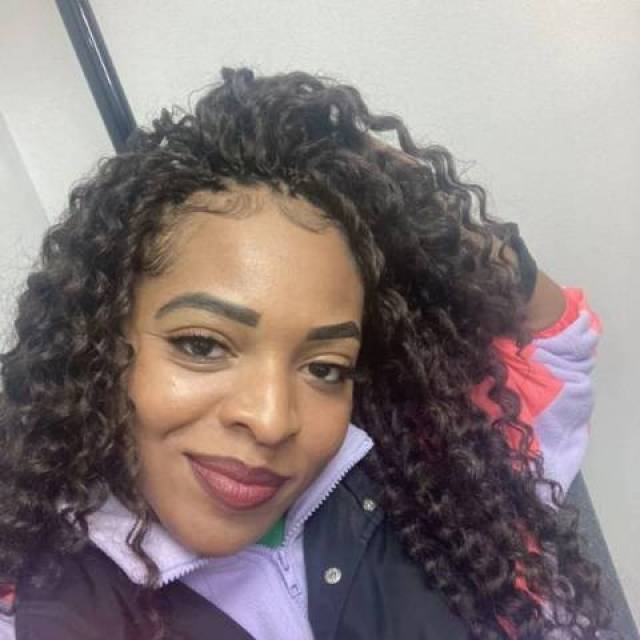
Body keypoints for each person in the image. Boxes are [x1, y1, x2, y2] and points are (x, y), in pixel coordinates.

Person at [0, 67, 614, 639]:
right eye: (202, 345)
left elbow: (554, 343)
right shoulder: (43, 608)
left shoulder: (424, 479)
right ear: (99, 340)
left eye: (324, 368)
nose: (272, 421)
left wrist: (415, 203)